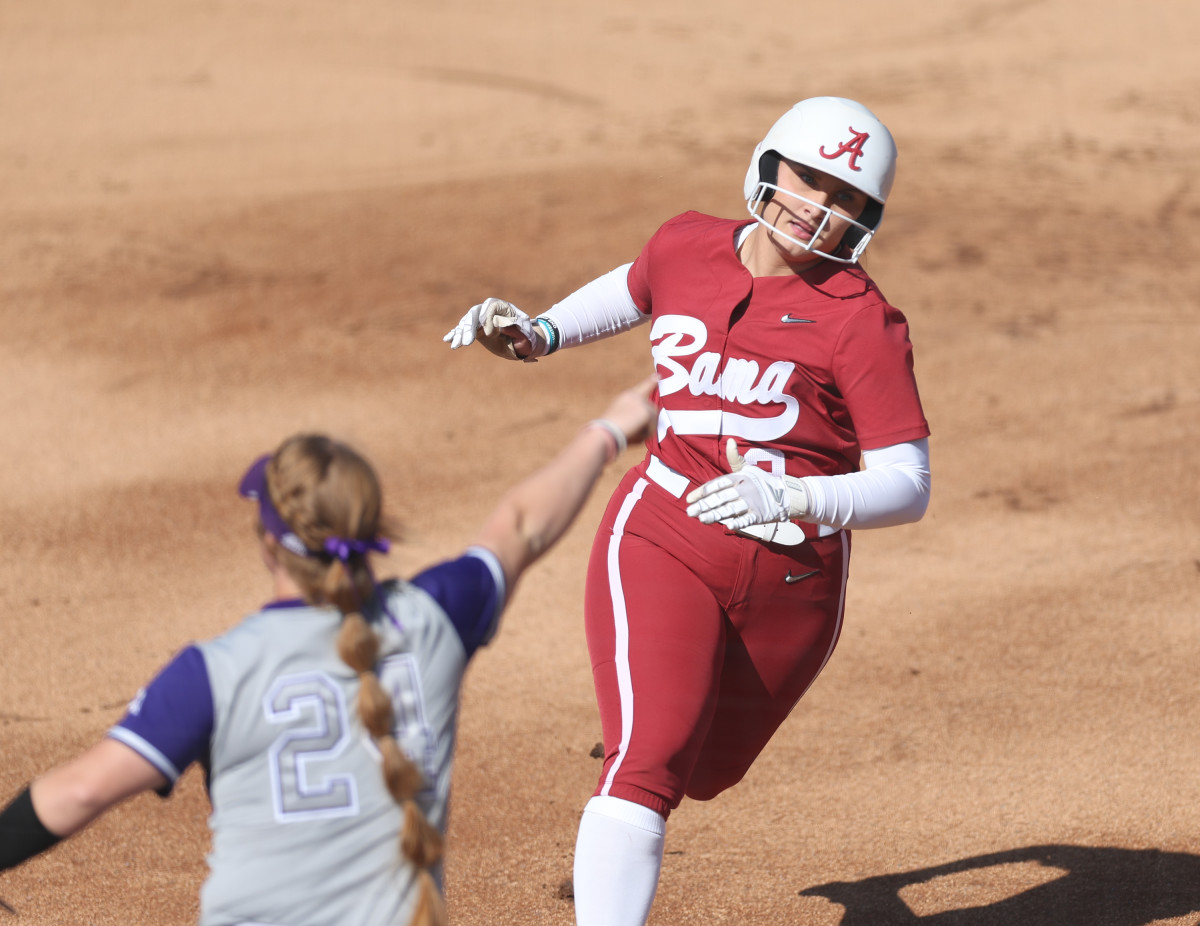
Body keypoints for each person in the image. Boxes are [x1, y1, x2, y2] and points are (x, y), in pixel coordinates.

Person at [442, 96, 932, 925]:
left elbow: (907, 485)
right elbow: (635, 288)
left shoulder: (862, 323)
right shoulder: (685, 243)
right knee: (648, 767)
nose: (818, 205)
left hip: (792, 576)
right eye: (808, 179)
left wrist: (796, 494)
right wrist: (540, 332)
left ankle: (652, 734)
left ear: (867, 217)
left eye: (845, 197)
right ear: (768, 167)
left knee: (708, 771)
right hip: (661, 531)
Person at [0, 379, 656, 926]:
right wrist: (608, 429)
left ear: (268, 541)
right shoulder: (435, 617)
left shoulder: (215, 673)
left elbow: (81, 792)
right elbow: (521, 525)